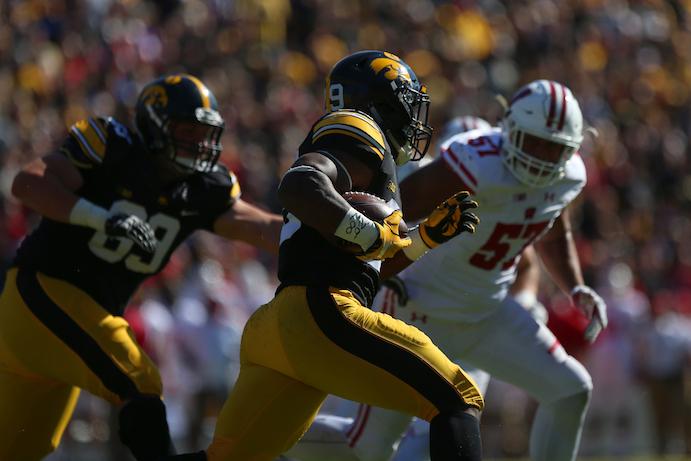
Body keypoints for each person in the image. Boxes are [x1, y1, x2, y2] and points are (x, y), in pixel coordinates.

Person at [166, 50, 484, 461]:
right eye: (407, 101)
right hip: (323, 311)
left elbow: (370, 266)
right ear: (379, 100)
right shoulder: (355, 126)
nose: (414, 116)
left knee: (229, 458)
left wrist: (420, 239)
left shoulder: (368, 159)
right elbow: (300, 183)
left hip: (281, 324)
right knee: (457, 397)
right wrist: (366, 230)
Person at [284, 79, 608, 461]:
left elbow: (555, 232)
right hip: (421, 312)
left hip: (486, 313)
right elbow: (396, 214)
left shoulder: (569, 175)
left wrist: (575, 286)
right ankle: (267, 445)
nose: (540, 157)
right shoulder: (475, 163)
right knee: (369, 447)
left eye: (553, 149)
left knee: (571, 390)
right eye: (533, 142)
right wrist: (378, 276)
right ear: (510, 131)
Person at [0, 73, 284, 461]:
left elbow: (265, 227)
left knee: (20, 448)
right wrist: (97, 216)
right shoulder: (112, 148)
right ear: (155, 126)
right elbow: (28, 183)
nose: (199, 144)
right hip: (43, 295)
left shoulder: (200, 189)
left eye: (205, 133)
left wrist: (339, 235)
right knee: (139, 380)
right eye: (187, 131)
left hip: (74, 322)